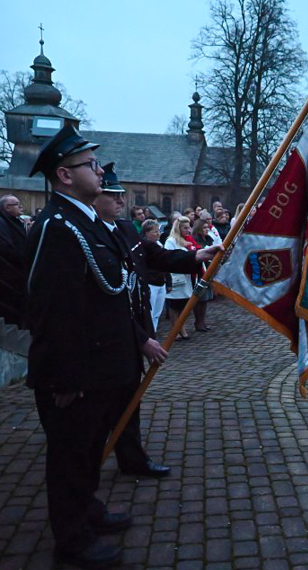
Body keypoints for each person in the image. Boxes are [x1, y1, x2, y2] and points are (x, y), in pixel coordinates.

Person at [25, 125, 135, 570]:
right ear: (64, 176)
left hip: (99, 368)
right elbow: (53, 309)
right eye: (90, 164)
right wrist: (63, 376)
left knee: (89, 450)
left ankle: (88, 511)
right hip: (76, 372)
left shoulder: (85, 222)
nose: (98, 170)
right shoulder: (58, 227)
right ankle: (71, 538)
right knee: (69, 458)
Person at [91, 164, 216, 479]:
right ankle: (87, 471)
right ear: (95, 197)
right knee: (103, 407)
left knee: (129, 402)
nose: (121, 200)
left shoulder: (122, 229)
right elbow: (99, 304)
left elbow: (154, 255)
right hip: (109, 340)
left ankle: (132, 458)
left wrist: (196, 257)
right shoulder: (88, 233)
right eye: (112, 194)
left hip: (132, 333)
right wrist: (141, 339)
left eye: (121, 194)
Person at [0, 194, 27, 327]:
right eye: (16, 204)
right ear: (7, 207)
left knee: (20, 302)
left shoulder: (15, 221)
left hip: (19, 270)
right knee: (10, 301)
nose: (20, 206)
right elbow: (5, 248)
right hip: (9, 271)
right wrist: (25, 257)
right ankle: (7, 326)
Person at [164, 216, 196, 340]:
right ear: (178, 228)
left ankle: (181, 326)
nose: (188, 230)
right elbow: (168, 258)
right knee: (174, 305)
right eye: (185, 228)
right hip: (176, 277)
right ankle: (174, 329)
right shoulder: (171, 241)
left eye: (189, 227)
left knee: (184, 304)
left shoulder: (188, 240)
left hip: (187, 276)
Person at [140, 219, 167, 332]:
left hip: (161, 282)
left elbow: (166, 264)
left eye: (158, 231)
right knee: (149, 313)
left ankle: (153, 332)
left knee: (157, 313)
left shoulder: (159, 244)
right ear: (147, 233)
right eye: (155, 232)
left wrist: (167, 281)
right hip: (151, 283)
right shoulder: (143, 246)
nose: (158, 234)